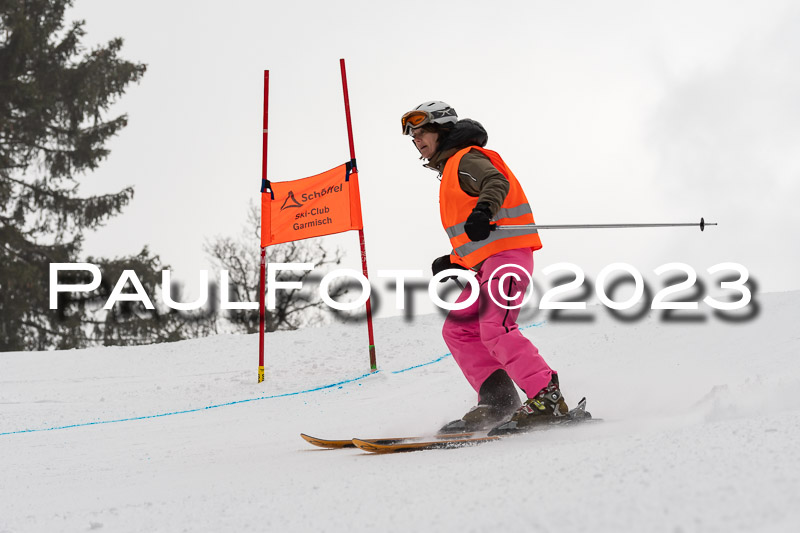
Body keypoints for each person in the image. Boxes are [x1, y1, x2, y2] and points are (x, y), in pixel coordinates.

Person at [400, 100, 570, 435]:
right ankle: (498, 400)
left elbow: (495, 182)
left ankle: (546, 396)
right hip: (487, 262)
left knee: (495, 326)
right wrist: (452, 259)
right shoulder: (451, 168)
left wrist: (484, 211)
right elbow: (477, 236)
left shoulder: (466, 158)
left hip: (508, 257)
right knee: (459, 328)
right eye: (413, 137)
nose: (417, 140)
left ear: (442, 129)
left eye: (422, 132)